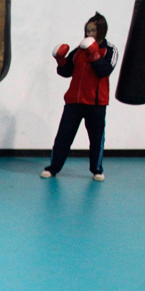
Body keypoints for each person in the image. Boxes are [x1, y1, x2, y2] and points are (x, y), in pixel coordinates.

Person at [42, 13, 117, 181]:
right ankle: (53, 168)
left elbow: (104, 70)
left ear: (101, 30)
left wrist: (95, 54)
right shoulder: (79, 50)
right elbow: (65, 72)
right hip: (74, 101)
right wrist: (60, 60)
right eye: (88, 30)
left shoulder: (110, 50)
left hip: (96, 103)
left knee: (96, 139)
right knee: (63, 136)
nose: (90, 33)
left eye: (93, 30)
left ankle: (97, 170)